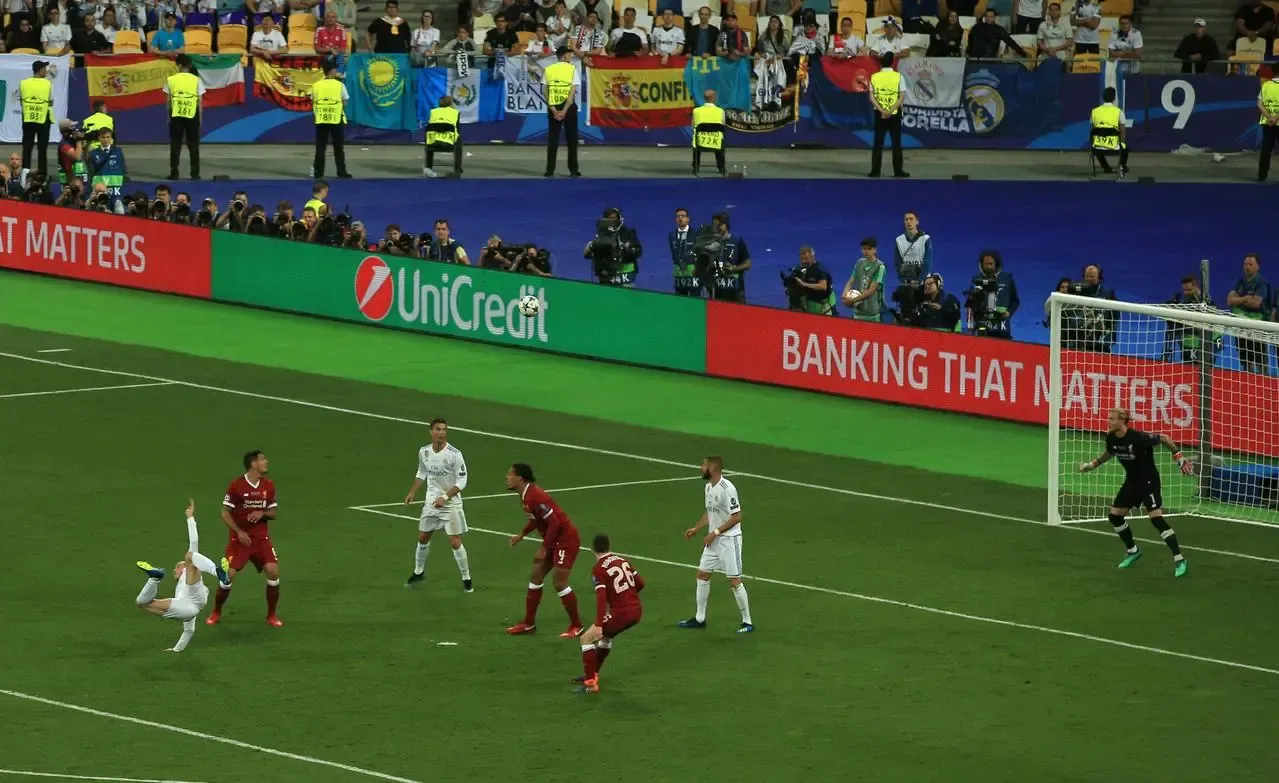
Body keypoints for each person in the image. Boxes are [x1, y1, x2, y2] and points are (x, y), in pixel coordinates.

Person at [1077, 408, 1192, 578]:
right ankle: (1133, 551)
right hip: (1132, 482)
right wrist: (1092, 465)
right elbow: (1110, 452)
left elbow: (1165, 438)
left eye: (1112, 418)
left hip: (1148, 482)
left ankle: (1179, 559)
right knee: (1115, 516)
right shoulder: (1110, 437)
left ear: (1122, 420)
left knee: (1156, 519)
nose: (1108, 421)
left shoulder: (1138, 438)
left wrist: (1179, 457)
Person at [134, 500, 230, 653]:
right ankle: (154, 578)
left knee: (190, 556)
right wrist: (176, 650)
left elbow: (194, 542)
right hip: (186, 607)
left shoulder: (189, 569)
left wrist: (190, 518)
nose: (175, 569)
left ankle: (218, 572)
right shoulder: (180, 589)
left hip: (195, 598)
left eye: (177, 566)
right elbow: (189, 631)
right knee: (141, 602)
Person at [505, 463, 584, 637]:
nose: (507, 478)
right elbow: (537, 519)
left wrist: (544, 548)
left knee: (559, 582)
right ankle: (529, 624)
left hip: (566, 540)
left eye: (510, 474)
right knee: (536, 576)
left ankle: (577, 626)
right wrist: (522, 534)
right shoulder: (526, 496)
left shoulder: (534, 496)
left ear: (520, 478)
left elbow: (555, 523)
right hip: (554, 539)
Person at [206, 450, 283, 627]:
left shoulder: (269, 486)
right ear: (253, 464)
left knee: (273, 571)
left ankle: (271, 615)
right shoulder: (236, 486)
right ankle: (216, 611)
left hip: (260, 538)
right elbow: (225, 512)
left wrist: (261, 512)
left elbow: (273, 513)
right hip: (239, 540)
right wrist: (238, 532)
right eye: (263, 459)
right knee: (228, 576)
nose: (266, 462)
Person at [678, 456, 753, 634]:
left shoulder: (728, 489)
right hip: (713, 540)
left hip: (729, 540)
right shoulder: (708, 487)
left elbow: (737, 516)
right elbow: (710, 512)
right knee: (702, 575)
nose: (701, 467)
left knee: (734, 580)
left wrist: (715, 533)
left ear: (712, 468)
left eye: (704, 465)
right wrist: (696, 528)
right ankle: (699, 618)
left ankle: (747, 622)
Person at [402, 418, 473, 591]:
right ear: (430, 431)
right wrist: (412, 492)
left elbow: (462, 480)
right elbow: (422, 472)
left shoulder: (454, 455)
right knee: (423, 537)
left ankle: (466, 578)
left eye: (444, 429)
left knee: (455, 542)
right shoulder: (424, 452)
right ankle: (419, 572)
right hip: (431, 503)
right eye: (438, 429)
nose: (441, 432)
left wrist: (446, 497)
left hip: (450, 505)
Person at [574, 534, 644, 694]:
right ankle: (592, 674)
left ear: (592, 550)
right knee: (606, 637)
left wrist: (598, 624)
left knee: (586, 638)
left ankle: (591, 685)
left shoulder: (598, 569)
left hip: (621, 613)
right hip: (636, 611)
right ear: (609, 547)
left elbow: (601, 598)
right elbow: (640, 583)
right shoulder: (622, 560)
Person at [1227, 253, 1273, 374]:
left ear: (1258, 267)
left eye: (1251, 264)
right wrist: (1246, 298)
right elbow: (1230, 300)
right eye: (1245, 264)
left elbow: (1256, 304)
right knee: (1244, 357)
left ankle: (1264, 380)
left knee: (1259, 357)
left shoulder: (1262, 283)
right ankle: (1248, 377)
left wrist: (1239, 300)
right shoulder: (1240, 281)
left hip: (1257, 326)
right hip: (1241, 325)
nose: (1247, 267)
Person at [310, 58, 353, 179]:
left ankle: (318, 173)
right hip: (335, 119)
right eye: (335, 69)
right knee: (338, 148)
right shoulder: (340, 85)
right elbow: (345, 102)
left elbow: (313, 101)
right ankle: (341, 172)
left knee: (320, 147)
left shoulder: (316, 85)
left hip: (321, 119)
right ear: (331, 71)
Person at [164, 54, 204, 181]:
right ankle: (195, 174)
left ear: (180, 65)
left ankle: (174, 173)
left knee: (175, 144)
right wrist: (200, 118)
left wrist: (168, 117)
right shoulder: (196, 80)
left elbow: (168, 102)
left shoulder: (171, 79)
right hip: (192, 115)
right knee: (193, 145)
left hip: (176, 115)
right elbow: (200, 102)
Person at [868, 51, 907, 179]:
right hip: (894, 114)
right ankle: (898, 171)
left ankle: (875, 171)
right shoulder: (899, 76)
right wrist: (890, 111)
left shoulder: (874, 77)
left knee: (878, 143)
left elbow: (872, 98)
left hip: (879, 114)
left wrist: (882, 111)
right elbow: (901, 97)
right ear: (892, 63)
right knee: (896, 143)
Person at [543, 46, 580, 177]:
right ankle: (573, 169)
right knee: (572, 139)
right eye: (569, 54)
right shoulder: (572, 69)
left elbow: (545, 91)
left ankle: (550, 170)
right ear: (564, 56)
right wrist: (564, 111)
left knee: (553, 139)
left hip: (553, 106)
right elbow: (572, 92)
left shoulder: (548, 70)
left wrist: (553, 109)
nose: (571, 57)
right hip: (568, 108)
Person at [20, 60, 53, 175]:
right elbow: (51, 102)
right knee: (42, 149)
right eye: (44, 68)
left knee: (27, 148)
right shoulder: (47, 83)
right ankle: (42, 175)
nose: (46, 71)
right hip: (43, 118)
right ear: (40, 70)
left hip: (28, 118)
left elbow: (21, 100)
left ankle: (25, 173)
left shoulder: (23, 83)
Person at [843, 237, 886, 322]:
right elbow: (851, 281)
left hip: (872, 313)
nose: (866, 251)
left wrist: (852, 300)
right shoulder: (859, 263)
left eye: (869, 249)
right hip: (858, 312)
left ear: (875, 250)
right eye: (863, 249)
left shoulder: (880, 267)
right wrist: (844, 296)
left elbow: (871, 290)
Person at [1090, 86, 1128, 178]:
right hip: (1114, 145)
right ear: (1114, 98)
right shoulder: (1119, 112)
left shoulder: (1094, 111)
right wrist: (1122, 143)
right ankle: (1122, 167)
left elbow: (1093, 128)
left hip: (1097, 145)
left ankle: (1106, 167)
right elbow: (1123, 130)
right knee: (1126, 147)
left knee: (1095, 144)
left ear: (1103, 98)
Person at [424, 95, 463, 178]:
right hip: (449, 144)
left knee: (429, 139)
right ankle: (457, 169)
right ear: (450, 103)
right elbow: (457, 130)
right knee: (459, 139)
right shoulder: (455, 112)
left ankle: (428, 167)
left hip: (433, 144)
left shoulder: (433, 112)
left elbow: (430, 126)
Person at [691, 88, 726, 177]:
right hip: (717, 143)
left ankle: (696, 166)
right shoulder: (720, 111)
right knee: (720, 140)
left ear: (704, 98)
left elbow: (693, 126)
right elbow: (723, 125)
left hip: (700, 143)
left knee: (696, 138)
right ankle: (720, 167)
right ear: (714, 98)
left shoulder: (696, 111)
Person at [1258, 71, 1279, 181]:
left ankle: (1262, 176)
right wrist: (1276, 117)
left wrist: (1269, 117)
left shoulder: (1266, 85)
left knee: (1266, 150)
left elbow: (1259, 104)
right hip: (1276, 121)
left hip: (1268, 123)